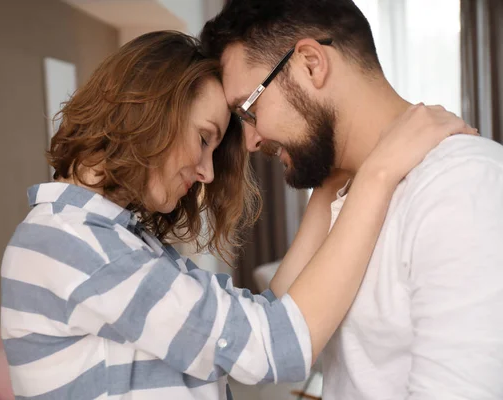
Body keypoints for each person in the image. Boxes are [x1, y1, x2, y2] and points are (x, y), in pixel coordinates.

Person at [0, 31, 474, 399]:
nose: (206, 172)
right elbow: (272, 346)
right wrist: (379, 172)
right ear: (149, 110)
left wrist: (332, 182)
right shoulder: (74, 245)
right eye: (204, 137)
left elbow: (265, 315)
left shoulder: (111, 238)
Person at [201, 0, 503, 398]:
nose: (253, 140)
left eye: (249, 108)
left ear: (310, 63)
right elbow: (275, 340)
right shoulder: (344, 193)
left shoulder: (461, 183)